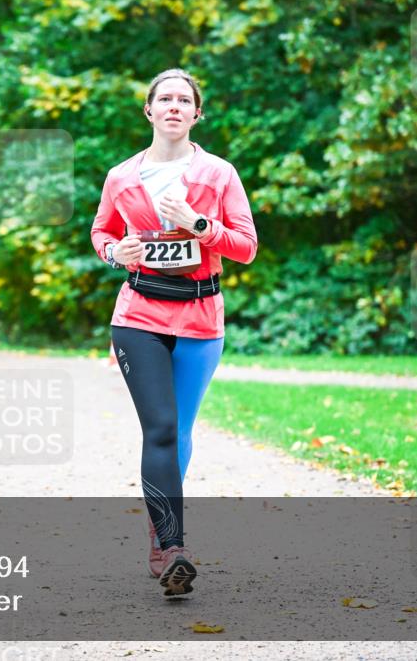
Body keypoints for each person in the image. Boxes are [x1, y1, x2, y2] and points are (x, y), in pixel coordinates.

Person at [90, 68, 258, 597]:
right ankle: (175, 549)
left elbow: (246, 247)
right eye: (164, 98)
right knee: (160, 427)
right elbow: (101, 231)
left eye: (184, 100)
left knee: (180, 431)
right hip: (138, 315)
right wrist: (116, 252)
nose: (174, 106)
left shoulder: (220, 174)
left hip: (201, 319)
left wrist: (197, 224)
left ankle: (159, 536)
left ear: (196, 113)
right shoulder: (121, 176)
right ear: (149, 110)